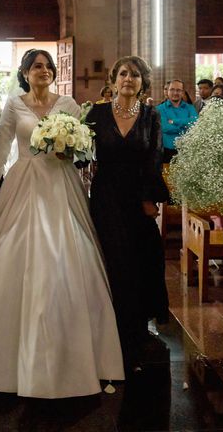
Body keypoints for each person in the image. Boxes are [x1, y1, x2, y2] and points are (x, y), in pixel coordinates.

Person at [0, 49, 124, 398]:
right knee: (11, 255)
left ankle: (74, 353)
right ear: (25, 73)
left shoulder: (70, 105)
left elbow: (86, 153)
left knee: (66, 255)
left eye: (47, 66)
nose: (43, 71)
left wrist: (71, 151)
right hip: (23, 184)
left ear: (53, 71)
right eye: (36, 67)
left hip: (61, 186)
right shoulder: (15, 105)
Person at [86, 56, 169, 373]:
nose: (128, 79)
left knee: (143, 258)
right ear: (113, 80)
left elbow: (155, 156)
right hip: (106, 195)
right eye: (123, 73)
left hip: (138, 196)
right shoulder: (97, 113)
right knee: (114, 258)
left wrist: (149, 199)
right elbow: (83, 154)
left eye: (135, 75)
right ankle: (114, 325)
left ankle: (138, 325)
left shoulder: (151, 115)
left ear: (142, 82)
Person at [156, 79, 198, 163]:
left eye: (178, 90)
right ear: (167, 91)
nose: (175, 93)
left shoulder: (190, 108)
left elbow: (195, 124)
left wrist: (175, 121)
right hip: (166, 151)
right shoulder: (159, 109)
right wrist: (185, 127)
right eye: (172, 89)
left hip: (187, 151)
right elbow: (165, 127)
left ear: (182, 93)